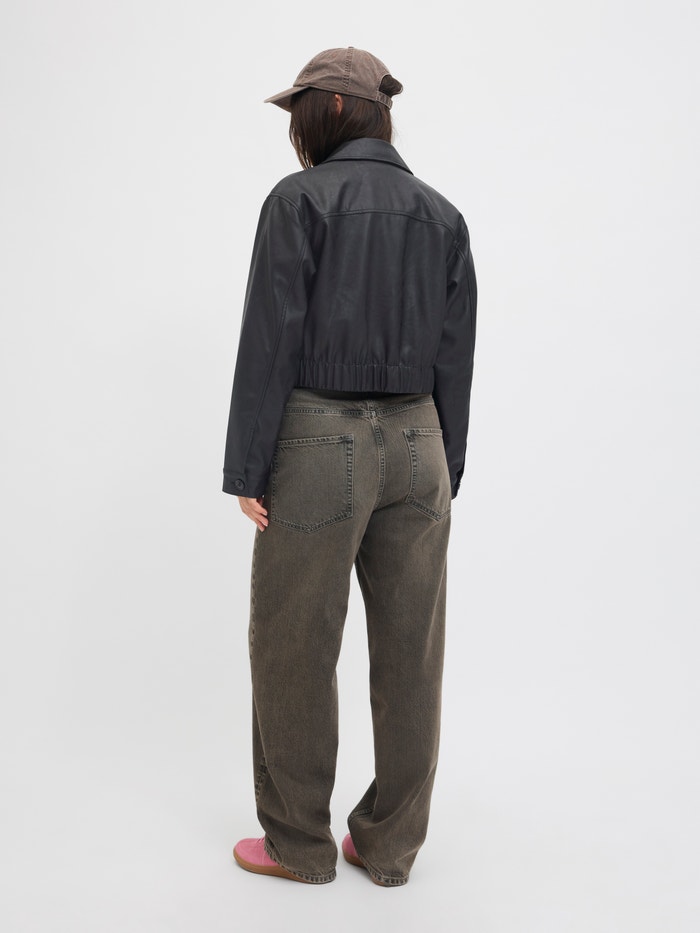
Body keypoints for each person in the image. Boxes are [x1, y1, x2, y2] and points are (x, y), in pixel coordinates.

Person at [222, 47, 477, 887]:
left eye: (301, 110)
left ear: (331, 109)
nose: (295, 127)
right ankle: (390, 845)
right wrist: (445, 467)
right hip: (420, 443)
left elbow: (272, 338)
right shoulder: (443, 215)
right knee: (413, 652)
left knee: (294, 643)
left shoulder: (298, 201)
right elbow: (455, 355)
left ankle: (298, 845)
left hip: (316, 438)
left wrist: (248, 466)